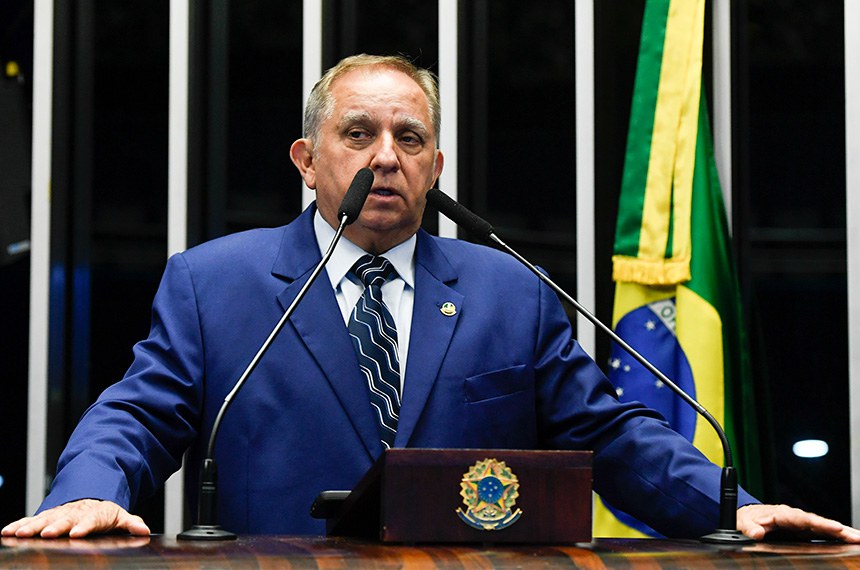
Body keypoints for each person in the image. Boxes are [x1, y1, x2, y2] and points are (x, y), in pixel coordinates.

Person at [4, 54, 859, 542]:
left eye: (409, 138)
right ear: (306, 160)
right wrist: (84, 493)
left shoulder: (508, 291)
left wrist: (736, 510)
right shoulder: (214, 284)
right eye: (358, 134)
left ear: (436, 168)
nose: (385, 157)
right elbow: (137, 416)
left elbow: (610, 440)